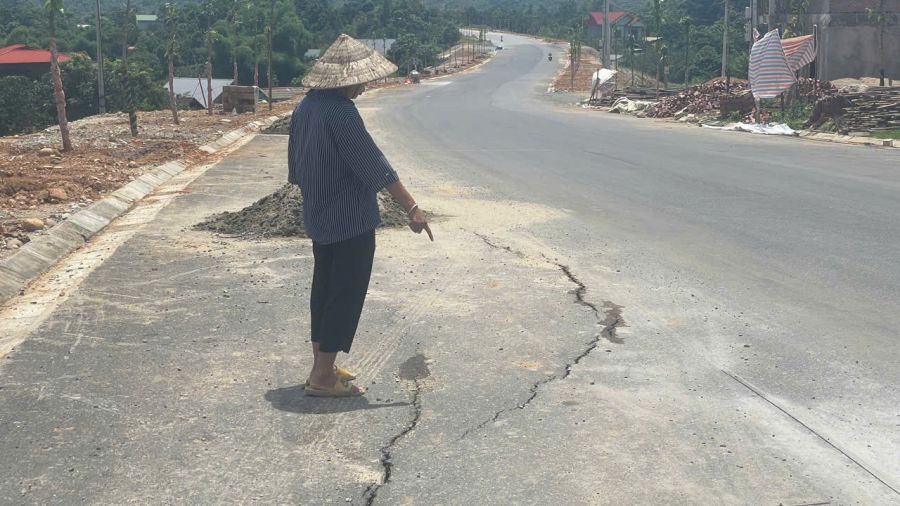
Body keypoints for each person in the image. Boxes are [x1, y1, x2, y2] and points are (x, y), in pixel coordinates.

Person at [288, 34, 433, 397]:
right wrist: (412, 208)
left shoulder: (306, 107)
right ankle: (322, 378)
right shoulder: (341, 112)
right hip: (349, 219)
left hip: (319, 216)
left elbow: (295, 168)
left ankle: (321, 366)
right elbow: (374, 165)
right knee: (345, 293)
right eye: (362, 80)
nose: (365, 86)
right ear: (347, 79)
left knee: (324, 290)